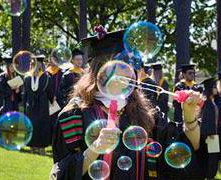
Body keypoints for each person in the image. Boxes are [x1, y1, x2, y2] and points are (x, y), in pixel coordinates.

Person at [50, 29, 204, 180]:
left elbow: (185, 151)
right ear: (101, 68)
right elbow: (62, 172)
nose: (131, 68)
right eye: (123, 63)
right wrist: (95, 148)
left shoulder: (145, 112)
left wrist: (189, 116)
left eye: (133, 62)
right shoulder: (74, 116)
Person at [23, 55, 53, 155]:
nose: (36, 66)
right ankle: (31, 146)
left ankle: (42, 148)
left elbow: (50, 92)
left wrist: (52, 101)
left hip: (42, 105)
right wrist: (24, 105)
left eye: (38, 64)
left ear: (41, 65)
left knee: (42, 126)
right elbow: (25, 93)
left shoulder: (46, 76)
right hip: (30, 105)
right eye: (34, 63)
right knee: (31, 125)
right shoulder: (27, 77)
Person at [200, 77, 219, 180]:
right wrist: (210, 134)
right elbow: (206, 120)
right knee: (210, 158)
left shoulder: (212, 101)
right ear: (210, 89)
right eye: (214, 87)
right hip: (209, 135)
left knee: (213, 158)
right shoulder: (207, 102)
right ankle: (208, 176)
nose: (216, 89)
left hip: (213, 133)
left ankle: (211, 176)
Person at [173, 64, 203, 130]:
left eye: (193, 73)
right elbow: (175, 103)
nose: (192, 75)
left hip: (195, 118)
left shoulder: (198, 87)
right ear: (184, 74)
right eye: (190, 73)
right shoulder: (179, 86)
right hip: (182, 118)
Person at [46, 50, 64, 154]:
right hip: (48, 101)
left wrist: (57, 96)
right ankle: (49, 142)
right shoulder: (46, 72)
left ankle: (56, 143)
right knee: (49, 122)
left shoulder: (62, 72)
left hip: (59, 101)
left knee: (57, 123)